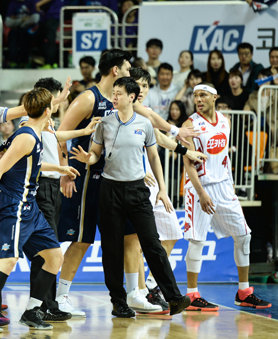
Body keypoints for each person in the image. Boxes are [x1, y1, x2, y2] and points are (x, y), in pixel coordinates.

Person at [56, 49, 195, 317]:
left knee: (133, 238)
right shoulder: (89, 98)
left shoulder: (125, 101)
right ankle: (61, 295)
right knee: (84, 239)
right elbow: (61, 133)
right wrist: (65, 170)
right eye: (128, 68)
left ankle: (136, 293)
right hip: (87, 177)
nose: (133, 73)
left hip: (123, 181)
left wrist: (180, 143)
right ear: (115, 70)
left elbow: (152, 127)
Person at [0, 87, 78, 333]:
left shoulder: (33, 133)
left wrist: (61, 169)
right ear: (47, 110)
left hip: (30, 207)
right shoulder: (27, 136)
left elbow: (31, 166)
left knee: (54, 256)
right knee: (8, 260)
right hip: (15, 205)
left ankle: (32, 310)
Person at [124, 67, 207, 314]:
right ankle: (139, 295)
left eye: (145, 86)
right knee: (136, 243)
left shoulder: (144, 115)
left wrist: (184, 151)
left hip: (151, 184)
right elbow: (156, 120)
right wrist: (177, 131)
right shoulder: (129, 108)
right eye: (137, 85)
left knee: (171, 231)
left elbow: (158, 137)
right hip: (133, 182)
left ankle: (150, 285)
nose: (141, 90)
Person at [182, 83, 271, 310]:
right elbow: (188, 164)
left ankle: (244, 291)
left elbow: (223, 157)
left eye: (203, 95)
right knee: (197, 240)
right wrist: (201, 193)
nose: (198, 99)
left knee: (244, 235)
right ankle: (191, 294)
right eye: (195, 96)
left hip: (223, 187)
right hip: (198, 187)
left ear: (215, 97)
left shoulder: (225, 121)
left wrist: (229, 186)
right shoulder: (190, 125)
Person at [25, 77, 100, 321]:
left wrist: (84, 131)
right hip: (40, 188)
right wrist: (61, 170)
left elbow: (58, 136)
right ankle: (41, 305)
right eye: (57, 97)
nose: (61, 102)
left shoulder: (47, 124)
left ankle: (46, 303)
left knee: (49, 250)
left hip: (51, 187)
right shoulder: (31, 123)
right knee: (46, 250)